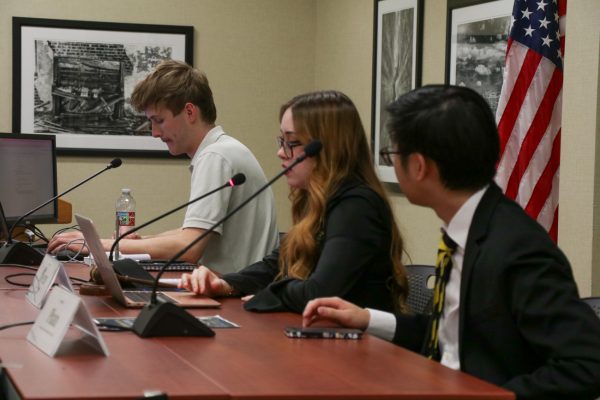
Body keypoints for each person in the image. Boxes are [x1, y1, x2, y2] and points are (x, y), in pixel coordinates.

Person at [302, 85, 600, 399]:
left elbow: (587, 363)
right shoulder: (467, 228)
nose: (390, 160)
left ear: (419, 166)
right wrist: (368, 319)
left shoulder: (517, 248)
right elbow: (454, 335)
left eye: (392, 154)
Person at [179, 90, 408, 313]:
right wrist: (227, 284)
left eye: (292, 142)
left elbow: (320, 292)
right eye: (281, 140)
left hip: (366, 346)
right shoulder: (320, 199)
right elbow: (279, 263)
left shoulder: (356, 206)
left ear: (327, 148)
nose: (280, 152)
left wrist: (269, 294)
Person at [48, 60, 279, 274]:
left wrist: (96, 244)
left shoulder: (216, 156)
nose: (155, 133)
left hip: (233, 300)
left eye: (159, 121)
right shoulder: (223, 150)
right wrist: (134, 242)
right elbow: (190, 233)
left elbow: (189, 247)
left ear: (189, 112)